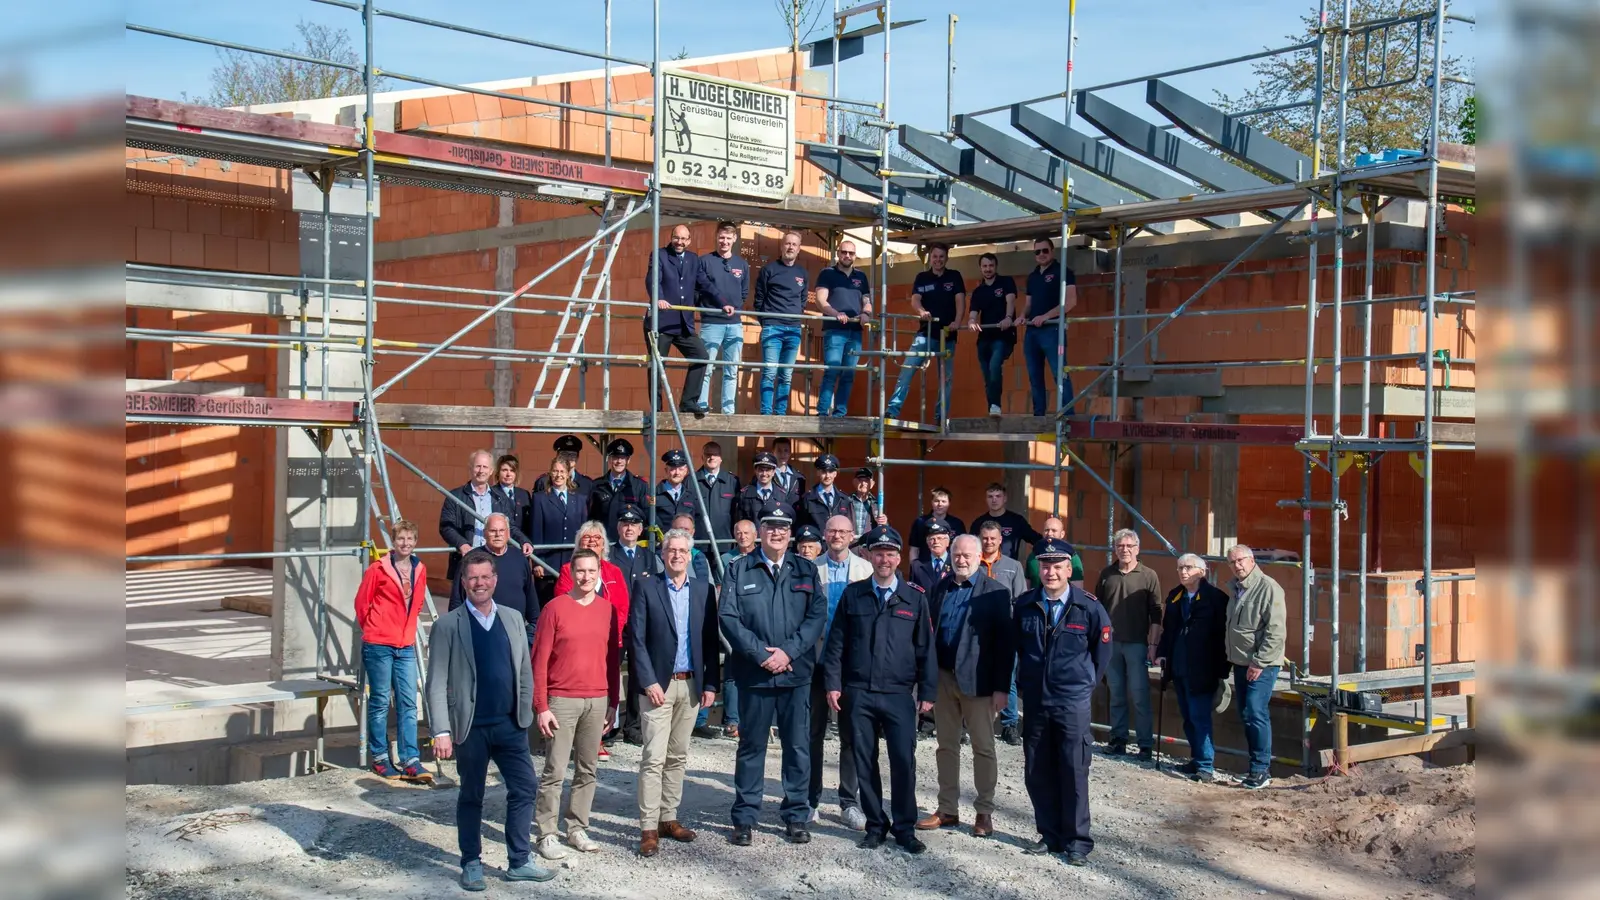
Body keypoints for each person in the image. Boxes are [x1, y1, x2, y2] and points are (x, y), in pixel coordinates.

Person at [425, 550, 554, 889]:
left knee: (525, 787)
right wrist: (440, 729)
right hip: (470, 728)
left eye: (485, 577)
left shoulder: (512, 618)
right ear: (464, 582)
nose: (479, 583)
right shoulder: (448, 625)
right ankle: (470, 862)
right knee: (472, 794)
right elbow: (436, 682)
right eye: (473, 578)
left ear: (494, 580)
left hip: (510, 725)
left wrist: (527, 711)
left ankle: (519, 860)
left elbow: (524, 670)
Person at [823, 525, 937, 855]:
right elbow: (836, 644)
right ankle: (876, 825)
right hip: (858, 692)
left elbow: (926, 649)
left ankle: (904, 827)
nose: (884, 559)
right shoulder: (853, 594)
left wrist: (927, 691)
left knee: (903, 761)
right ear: (869, 556)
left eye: (890, 553)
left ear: (899, 557)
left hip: (899, 695)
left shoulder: (914, 598)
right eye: (878, 553)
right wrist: (833, 683)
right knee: (864, 761)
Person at [719, 503, 828, 847]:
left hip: (796, 674)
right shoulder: (739, 569)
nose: (777, 532)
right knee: (752, 747)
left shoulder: (806, 570)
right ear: (759, 530)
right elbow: (729, 616)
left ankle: (797, 814)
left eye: (783, 526)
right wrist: (761, 655)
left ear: (791, 533)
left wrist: (788, 652)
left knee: (797, 747)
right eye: (770, 526)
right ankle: (745, 817)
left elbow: (816, 617)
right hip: (755, 675)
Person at [1011, 538, 1111, 867]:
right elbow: (1015, 650)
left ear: (1070, 569)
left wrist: (1084, 686)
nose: (1050, 572)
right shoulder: (1025, 605)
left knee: (1073, 769)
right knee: (1037, 769)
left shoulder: (1088, 606)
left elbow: (1102, 653)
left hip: (1072, 702)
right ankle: (1049, 834)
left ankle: (1078, 841)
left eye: (1057, 566)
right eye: (1045, 565)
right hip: (1037, 701)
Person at [630, 529, 722, 857]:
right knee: (653, 757)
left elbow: (710, 641)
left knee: (678, 755)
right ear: (663, 553)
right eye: (672, 550)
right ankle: (648, 827)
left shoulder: (703, 590)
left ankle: (669, 817)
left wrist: (711, 683)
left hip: (692, 684)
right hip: (658, 685)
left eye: (683, 550)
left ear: (690, 554)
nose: (677, 555)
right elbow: (636, 639)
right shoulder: (645, 586)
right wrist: (648, 681)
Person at [918, 534, 1012, 837]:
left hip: (979, 683)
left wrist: (1001, 688)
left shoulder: (996, 593)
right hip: (944, 677)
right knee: (946, 746)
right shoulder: (940, 588)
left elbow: (1004, 646)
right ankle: (947, 808)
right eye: (956, 554)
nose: (961, 559)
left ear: (978, 556)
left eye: (967, 555)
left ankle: (984, 812)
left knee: (983, 748)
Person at [532, 550, 622, 861]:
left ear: (599, 572)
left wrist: (614, 702)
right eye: (580, 571)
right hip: (562, 699)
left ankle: (577, 827)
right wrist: (541, 705)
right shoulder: (554, 608)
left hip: (597, 699)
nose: (586, 577)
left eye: (591, 571)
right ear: (572, 573)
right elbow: (539, 660)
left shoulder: (607, 610)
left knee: (588, 769)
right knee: (555, 769)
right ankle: (546, 833)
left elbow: (613, 661)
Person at [354, 518, 428, 779]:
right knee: (381, 701)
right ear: (393, 542)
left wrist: (406, 631)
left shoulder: (420, 569)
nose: (405, 543)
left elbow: (417, 604)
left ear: (415, 542)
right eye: (400, 539)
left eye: (410, 539)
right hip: (379, 645)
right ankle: (380, 757)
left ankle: (410, 759)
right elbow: (362, 603)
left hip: (405, 645)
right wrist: (374, 628)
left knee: (409, 703)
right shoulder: (378, 569)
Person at [810, 515, 871, 831]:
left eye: (843, 531)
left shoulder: (866, 569)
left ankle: (849, 802)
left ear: (852, 536)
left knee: (851, 736)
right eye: (831, 530)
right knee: (812, 734)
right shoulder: (810, 567)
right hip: (816, 661)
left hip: (851, 665)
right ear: (824, 534)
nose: (837, 535)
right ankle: (810, 800)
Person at [553, 522, 632, 759]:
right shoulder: (568, 570)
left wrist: (606, 633)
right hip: (577, 643)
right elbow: (563, 603)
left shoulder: (614, 572)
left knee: (604, 691)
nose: (591, 542)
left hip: (609, 642)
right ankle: (571, 740)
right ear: (579, 543)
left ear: (604, 545)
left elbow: (622, 607)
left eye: (597, 539)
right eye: (587, 539)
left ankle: (595, 740)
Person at [1154, 554, 1231, 784]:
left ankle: (1206, 765)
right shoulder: (1175, 595)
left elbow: (1222, 636)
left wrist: (1221, 668)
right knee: (1187, 717)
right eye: (1180, 568)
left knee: (1200, 717)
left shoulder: (1215, 598)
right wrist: (1161, 654)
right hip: (1179, 666)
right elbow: (1169, 630)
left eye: (1188, 567)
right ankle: (1197, 759)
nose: (1183, 572)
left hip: (1202, 667)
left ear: (1202, 571)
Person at [1094, 529, 1164, 761]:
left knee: (1140, 694)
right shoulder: (1107, 574)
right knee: (1116, 694)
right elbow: (1098, 609)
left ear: (1137, 548)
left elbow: (1156, 613)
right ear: (1115, 549)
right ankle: (1118, 740)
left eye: (1129, 546)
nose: (1125, 550)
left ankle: (1145, 745)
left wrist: (1153, 645)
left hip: (1137, 644)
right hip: (1111, 645)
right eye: (1120, 546)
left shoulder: (1149, 575)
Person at [1223, 544, 1286, 790]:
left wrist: (1259, 662)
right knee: (1246, 715)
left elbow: (1276, 630)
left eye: (1241, 560)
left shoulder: (1268, 588)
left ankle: (1261, 770)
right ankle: (1254, 768)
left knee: (1255, 712)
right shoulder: (1237, 589)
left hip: (1261, 664)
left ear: (1251, 560)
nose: (1237, 565)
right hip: (1240, 662)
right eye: (1232, 562)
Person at [886, 243, 966, 421]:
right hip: (926, 334)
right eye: (935, 256)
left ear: (947, 258)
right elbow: (915, 300)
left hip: (947, 335)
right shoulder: (922, 277)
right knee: (907, 369)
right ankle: (892, 410)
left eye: (941, 256)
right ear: (930, 258)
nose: (938, 260)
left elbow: (960, 301)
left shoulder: (954, 276)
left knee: (946, 379)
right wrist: (921, 311)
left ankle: (941, 416)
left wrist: (957, 322)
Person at [644, 223, 711, 417]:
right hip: (662, 322)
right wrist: (658, 297)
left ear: (689, 240)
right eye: (676, 238)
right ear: (671, 237)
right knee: (657, 364)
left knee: (701, 356)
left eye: (683, 239)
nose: (679, 242)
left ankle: (689, 401)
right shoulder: (659, 254)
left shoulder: (692, 259)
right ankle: (657, 409)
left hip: (683, 324)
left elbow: (705, 283)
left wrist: (723, 303)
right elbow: (652, 279)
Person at [439, 449, 534, 581]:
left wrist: (524, 541)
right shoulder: (455, 496)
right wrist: (462, 544)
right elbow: (446, 527)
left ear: (490, 471)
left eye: (485, 467)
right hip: (466, 560)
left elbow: (510, 527)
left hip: (495, 561)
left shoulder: (500, 498)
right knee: (464, 600)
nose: (481, 471)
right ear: (471, 469)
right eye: (478, 466)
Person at [609, 505, 660, 746]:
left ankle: (633, 726)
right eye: (625, 524)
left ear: (640, 529)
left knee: (639, 676)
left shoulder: (648, 557)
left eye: (634, 525)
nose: (629, 528)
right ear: (619, 528)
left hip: (640, 623)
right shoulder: (608, 555)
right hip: (614, 623)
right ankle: (608, 727)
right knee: (610, 674)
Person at [977, 520, 1028, 746]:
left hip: (1005, 631)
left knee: (1008, 678)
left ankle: (1009, 726)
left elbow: (1020, 600)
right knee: (975, 674)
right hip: (976, 630)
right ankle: (970, 724)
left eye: (993, 538)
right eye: (985, 538)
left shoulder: (1013, 565)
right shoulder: (971, 563)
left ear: (1000, 540)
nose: (988, 542)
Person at [448, 514, 539, 638]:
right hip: (479, 632)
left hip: (515, 633)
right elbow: (457, 599)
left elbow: (529, 595)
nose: (498, 535)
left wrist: (533, 627)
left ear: (508, 533)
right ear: (485, 533)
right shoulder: (471, 559)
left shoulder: (519, 558)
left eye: (502, 530)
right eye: (493, 531)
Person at [696, 221, 750, 415]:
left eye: (728, 238)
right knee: (706, 367)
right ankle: (702, 405)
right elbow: (700, 289)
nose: (724, 241)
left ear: (734, 239)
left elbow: (744, 293)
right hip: (711, 322)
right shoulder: (705, 261)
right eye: (721, 238)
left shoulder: (742, 264)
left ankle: (728, 409)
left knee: (732, 369)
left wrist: (733, 307)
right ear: (716, 238)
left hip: (734, 323)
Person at [1020, 236, 1078, 416]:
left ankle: (1067, 415)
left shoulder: (1063, 272)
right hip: (1032, 332)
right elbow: (1028, 305)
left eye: (1045, 250)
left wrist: (1045, 316)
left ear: (1052, 251)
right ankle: (1039, 415)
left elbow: (1070, 302)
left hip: (1052, 329)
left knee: (1060, 373)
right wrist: (1022, 316)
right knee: (1034, 376)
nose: (1041, 254)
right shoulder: (1032, 277)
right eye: (1037, 251)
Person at [814, 239, 872, 417]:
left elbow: (867, 301)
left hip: (855, 332)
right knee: (832, 370)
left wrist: (866, 314)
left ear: (855, 256)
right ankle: (823, 412)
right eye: (844, 252)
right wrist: (835, 313)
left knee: (849, 374)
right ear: (838, 253)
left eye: (851, 253)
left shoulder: (861, 276)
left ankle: (840, 412)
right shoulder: (827, 273)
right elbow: (820, 300)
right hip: (835, 330)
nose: (847, 256)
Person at [754, 230, 808, 415]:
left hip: (793, 329)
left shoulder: (802, 273)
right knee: (769, 372)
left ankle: (781, 412)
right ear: (781, 246)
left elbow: (802, 301)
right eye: (787, 243)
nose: (790, 247)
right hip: (772, 328)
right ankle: (766, 413)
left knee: (786, 375)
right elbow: (759, 300)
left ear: (799, 249)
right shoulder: (769, 270)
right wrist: (767, 321)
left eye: (794, 244)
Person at [965, 251, 1019, 416]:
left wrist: (1008, 318)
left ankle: (995, 404)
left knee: (995, 367)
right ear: (980, 268)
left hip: (1003, 336)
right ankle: (993, 408)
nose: (988, 269)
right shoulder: (978, 291)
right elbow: (973, 313)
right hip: (984, 338)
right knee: (987, 375)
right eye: (984, 266)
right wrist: (971, 321)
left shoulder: (1006, 282)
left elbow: (1010, 301)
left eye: (990, 266)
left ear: (995, 267)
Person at [528, 459, 585, 606]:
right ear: (550, 473)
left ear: (568, 474)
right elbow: (536, 531)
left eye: (562, 471)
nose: (558, 475)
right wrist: (537, 563)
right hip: (547, 564)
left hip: (571, 562)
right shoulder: (540, 498)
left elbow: (583, 531)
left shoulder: (579, 499)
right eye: (555, 471)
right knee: (547, 606)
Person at [588, 438, 650, 541]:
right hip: (604, 542)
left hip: (629, 542)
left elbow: (647, 515)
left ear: (628, 460)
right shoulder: (596, 485)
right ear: (610, 459)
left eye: (623, 458)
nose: (619, 461)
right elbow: (591, 518)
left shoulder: (639, 486)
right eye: (616, 457)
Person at [969, 482, 1041, 561]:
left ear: (1005, 498)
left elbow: (1037, 540)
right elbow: (970, 547)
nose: (994, 500)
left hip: (1009, 569)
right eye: (990, 496)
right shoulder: (978, 523)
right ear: (986, 499)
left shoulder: (1017, 521)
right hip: (984, 567)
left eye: (998, 496)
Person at [695, 441, 740, 549]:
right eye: (708, 454)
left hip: (724, 542)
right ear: (702, 457)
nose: (712, 457)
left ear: (721, 458)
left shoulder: (732, 481)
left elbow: (737, 513)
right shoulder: (691, 480)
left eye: (715, 454)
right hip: (698, 543)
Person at [1025, 516, 1086, 589]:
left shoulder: (1072, 557)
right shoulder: (1033, 556)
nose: (1049, 533)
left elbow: (1077, 589)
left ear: (1062, 534)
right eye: (1046, 530)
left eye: (1054, 530)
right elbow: (1027, 587)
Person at [908, 487, 965, 563]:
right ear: (932, 502)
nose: (940, 504)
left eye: (943, 501)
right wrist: (915, 568)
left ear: (949, 503)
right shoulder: (920, 522)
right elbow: (914, 549)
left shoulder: (957, 524)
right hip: (925, 566)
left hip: (949, 568)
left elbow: (962, 548)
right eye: (936, 501)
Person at [654, 449, 701, 537]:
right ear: (666, 470)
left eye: (680, 469)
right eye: (672, 469)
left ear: (686, 471)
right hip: (661, 546)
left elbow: (696, 522)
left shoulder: (691, 496)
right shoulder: (654, 494)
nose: (677, 473)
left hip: (685, 545)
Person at [798, 453, 851, 531]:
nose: (827, 476)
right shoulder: (808, 499)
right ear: (818, 473)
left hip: (837, 541)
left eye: (830, 472)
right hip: (817, 542)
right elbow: (802, 526)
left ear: (835, 474)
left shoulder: (844, 499)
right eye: (824, 472)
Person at [736, 451, 785, 526]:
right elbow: (739, 522)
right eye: (761, 470)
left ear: (774, 472)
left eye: (768, 470)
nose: (764, 474)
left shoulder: (781, 495)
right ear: (755, 471)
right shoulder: (744, 495)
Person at [493, 454, 534, 537]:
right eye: (504, 470)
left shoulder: (524, 494)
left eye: (512, 470)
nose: (508, 474)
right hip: (499, 542)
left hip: (520, 544)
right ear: (498, 472)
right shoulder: (491, 493)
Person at [909, 519, 954, 593]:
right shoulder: (917, 566)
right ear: (927, 543)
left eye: (939, 538)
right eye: (932, 539)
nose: (936, 542)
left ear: (947, 542)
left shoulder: (955, 563)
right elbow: (912, 594)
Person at [846, 467, 887, 538]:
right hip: (850, 544)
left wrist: (885, 523)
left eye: (866, 480)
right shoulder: (846, 501)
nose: (863, 483)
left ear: (872, 484)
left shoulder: (877, 504)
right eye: (860, 480)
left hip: (868, 544)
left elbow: (885, 530)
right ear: (854, 482)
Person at [770, 437, 806, 504]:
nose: (782, 454)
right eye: (779, 450)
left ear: (790, 453)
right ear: (773, 452)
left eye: (786, 450)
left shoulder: (799, 478)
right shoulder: (766, 475)